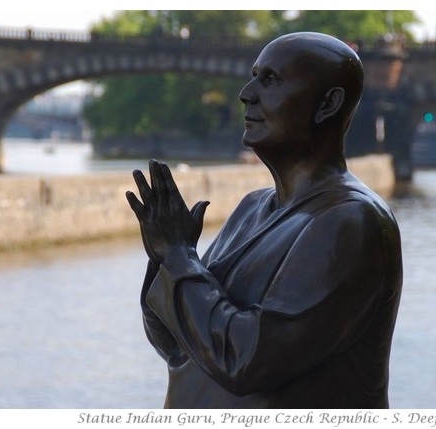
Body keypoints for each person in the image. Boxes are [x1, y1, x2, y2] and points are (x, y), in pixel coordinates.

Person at [126, 32, 402, 409]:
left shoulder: (350, 222)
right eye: (254, 76)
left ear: (327, 104)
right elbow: (180, 347)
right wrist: (165, 256)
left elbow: (245, 361)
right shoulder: (251, 209)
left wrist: (178, 257)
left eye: (269, 80)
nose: (246, 92)